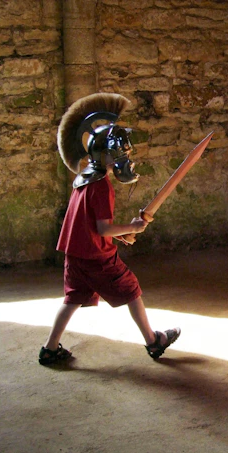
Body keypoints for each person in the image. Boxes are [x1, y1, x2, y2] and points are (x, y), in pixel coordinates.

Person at [38, 93, 180, 366]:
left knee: (73, 299)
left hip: (76, 255)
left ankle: (50, 348)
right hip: (96, 258)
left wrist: (122, 233)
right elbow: (102, 229)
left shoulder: (83, 178)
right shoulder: (102, 185)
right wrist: (133, 227)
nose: (121, 160)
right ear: (102, 154)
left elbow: (88, 224)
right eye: (116, 155)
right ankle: (153, 341)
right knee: (131, 289)